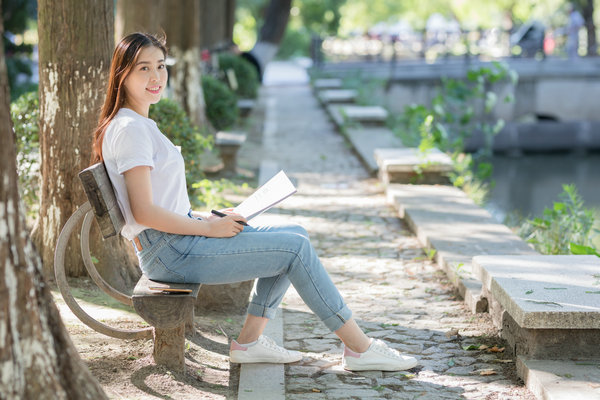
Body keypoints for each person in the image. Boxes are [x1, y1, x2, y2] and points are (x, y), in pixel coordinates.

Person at [91, 32, 418, 372]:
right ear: (122, 74)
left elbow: (158, 203)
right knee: (294, 250)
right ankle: (360, 348)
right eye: (143, 68)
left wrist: (211, 218)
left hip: (177, 241)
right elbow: (143, 211)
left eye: (160, 65)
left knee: (296, 233)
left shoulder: (139, 124)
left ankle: (248, 343)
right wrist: (209, 228)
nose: (156, 77)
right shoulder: (131, 129)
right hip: (172, 253)